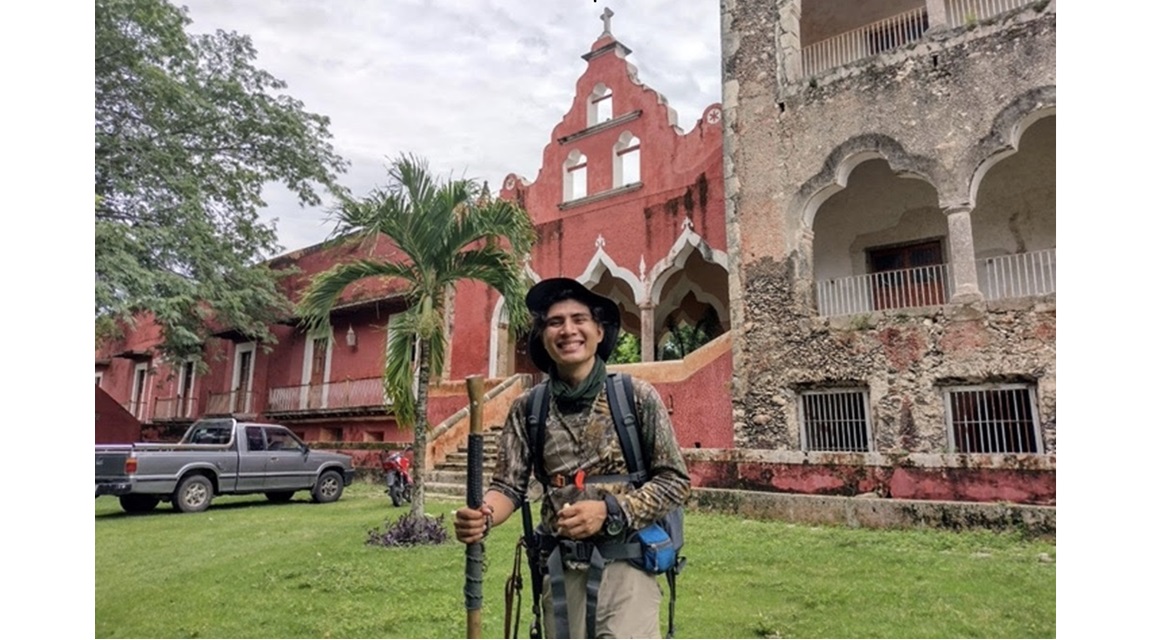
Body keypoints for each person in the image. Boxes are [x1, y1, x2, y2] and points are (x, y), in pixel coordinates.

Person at [454, 277, 691, 638]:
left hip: (627, 566)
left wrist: (610, 511)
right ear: (543, 337)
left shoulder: (636, 397)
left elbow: (675, 483)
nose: (568, 330)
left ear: (598, 331)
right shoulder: (528, 408)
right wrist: (484, 515)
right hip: (559, 571)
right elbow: (508, 486)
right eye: (555, 322)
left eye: (578, 319)